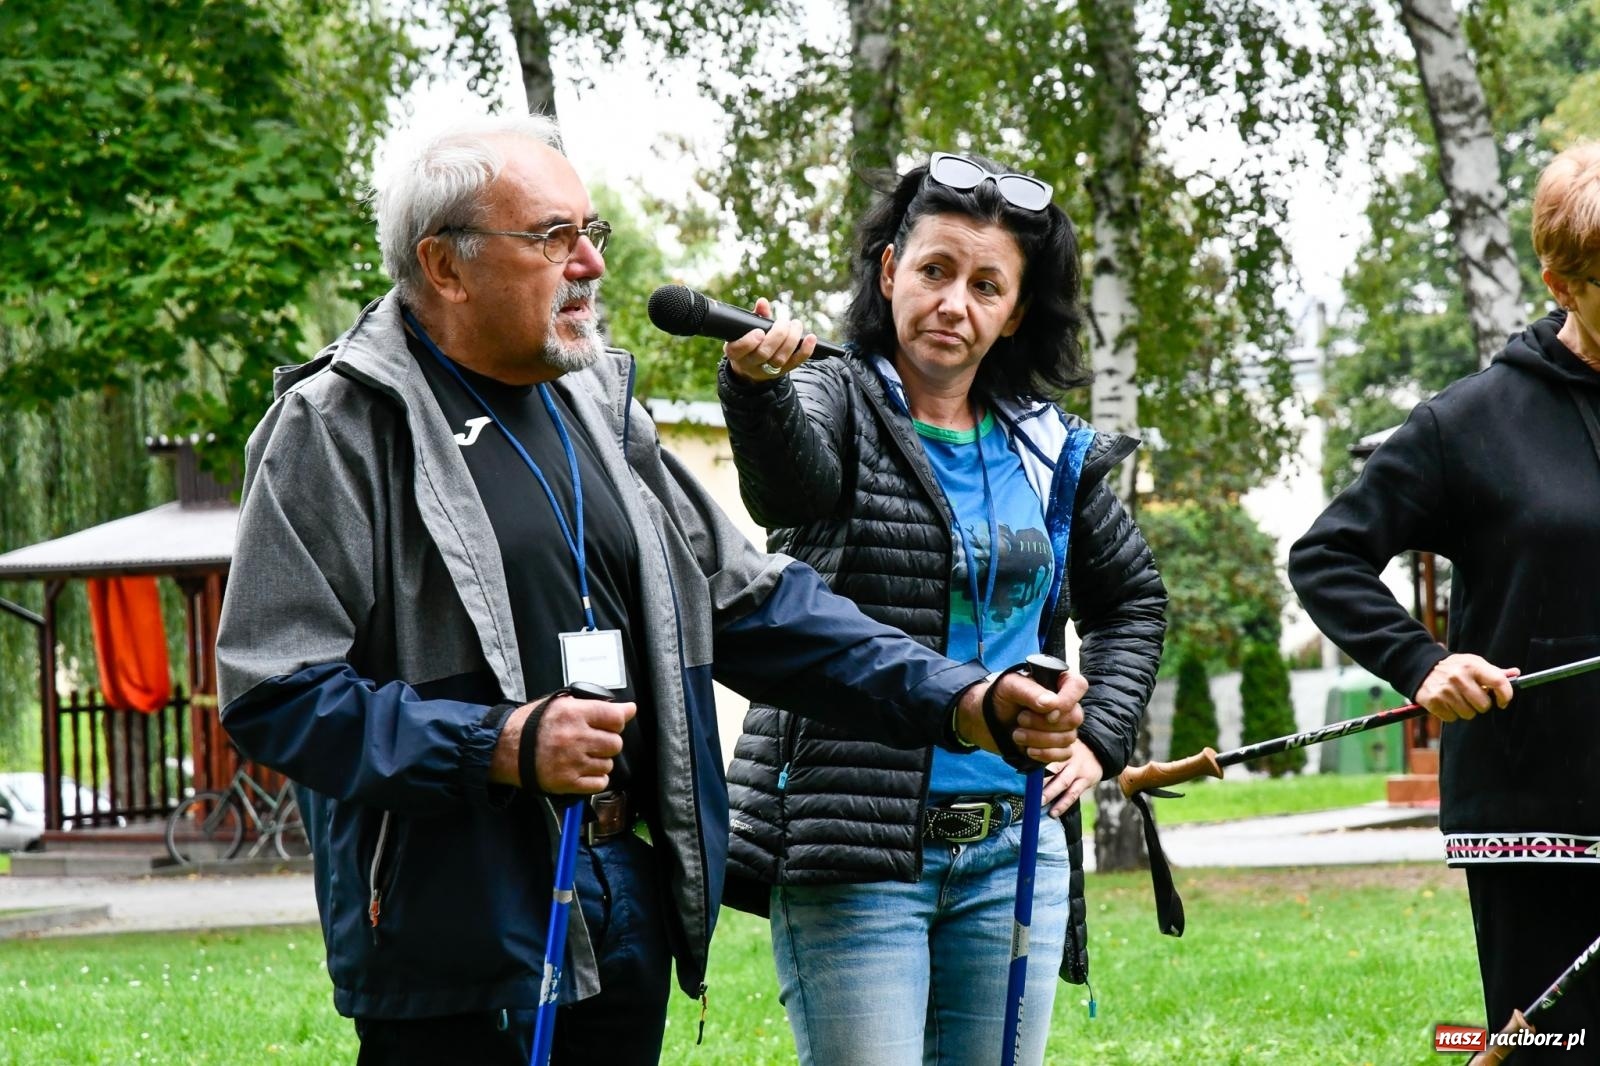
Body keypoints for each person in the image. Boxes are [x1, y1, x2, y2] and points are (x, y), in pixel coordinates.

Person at [212, 115, 1088, 1066]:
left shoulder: (593, 406)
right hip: (458, 926)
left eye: (593, 231)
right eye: (553, 237)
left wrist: (961, 697)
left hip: (626, 894)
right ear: (446, 265)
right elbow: (275, 693)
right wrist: (497, 746)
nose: (589, 261)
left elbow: (757, 605)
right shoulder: (338, 426)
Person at [715, 152, 1167, 1065]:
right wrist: (757, 391)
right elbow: (789, 492)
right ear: (890, 274)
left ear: (1016, 314)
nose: (954, 302)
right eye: (934, 270)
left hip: (1016, 847)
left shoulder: (1048, 450)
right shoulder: (831, 394)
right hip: (859, 851)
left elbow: (1133, 601)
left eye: (986, 285)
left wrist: (1098, 736)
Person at [1289, 142, 1600, 1055]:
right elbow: (1328, 557)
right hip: (1538, 817)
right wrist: (1423, 663)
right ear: (1561, 284)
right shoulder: (1469, 423)